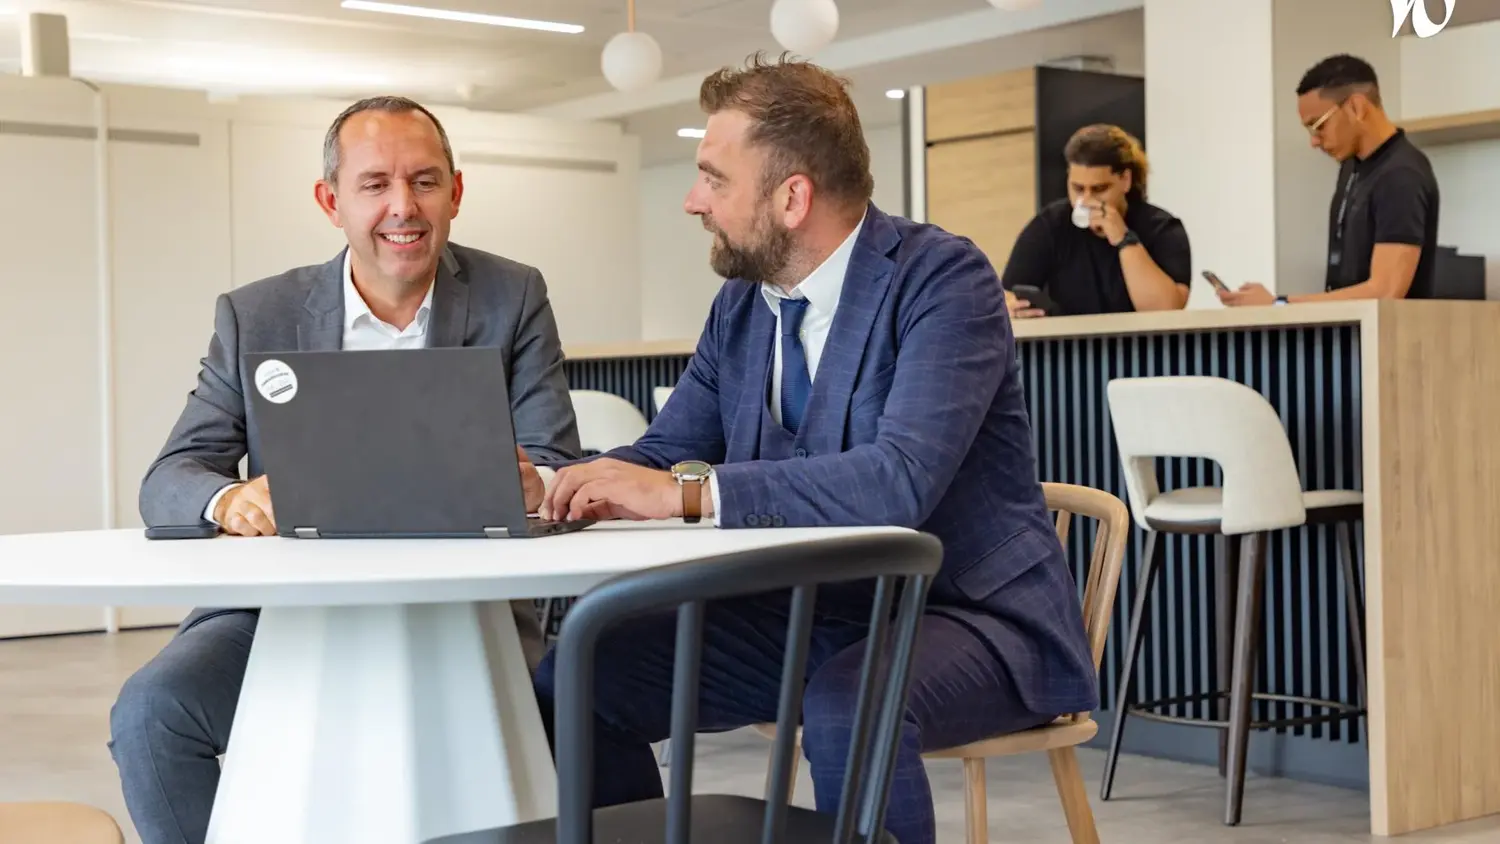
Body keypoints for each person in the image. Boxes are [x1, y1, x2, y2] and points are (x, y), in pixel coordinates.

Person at [532, 54, 1097, 844]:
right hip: (819, 613)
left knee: (848, 702)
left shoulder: (943, 280)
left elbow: (898, 480)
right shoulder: (743, 304)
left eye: (713, 178)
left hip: (968, 615)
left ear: (792, 196)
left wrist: (688, 494)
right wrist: (552, 479)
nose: (693, 201)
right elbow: (666, 453)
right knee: (583, 672)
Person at [108, 95, 580, 844]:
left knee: (595, 714)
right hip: (283, 615)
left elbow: (557, 461)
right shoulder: (257, 315)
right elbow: (170, 476)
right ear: (331, 201)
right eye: (375, 185)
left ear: (456, 192)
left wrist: (538, 484)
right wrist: (229, 498)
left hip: (465, 609)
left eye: (425, 181)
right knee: (150, 712)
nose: (404, 207)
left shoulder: (511, 296)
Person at [1221, 54, 1440, 306]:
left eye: (1319, 126)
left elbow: (1385, 291)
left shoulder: (1401, 175)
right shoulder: (1351, 167)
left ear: (1356, 107)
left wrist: (1278, 304)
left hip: (1384, 341)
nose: (1314, 141)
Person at [1001, 124, 1190, 317]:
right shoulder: (1051, 224)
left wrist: (1124, 239)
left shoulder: (1161, 227)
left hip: (1143, 345)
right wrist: (1011, 308)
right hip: (1070, 344)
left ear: (1125, 179)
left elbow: (1165, 311)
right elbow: (1005, 295)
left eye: (1099, 189)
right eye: (1078, 188)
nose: (1086, 200)